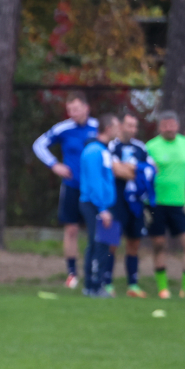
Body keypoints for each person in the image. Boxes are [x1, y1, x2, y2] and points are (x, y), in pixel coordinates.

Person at [32, 92, 99, 289]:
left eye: (76, 109)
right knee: (71, 229)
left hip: (97, 189)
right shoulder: (63, 129)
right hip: (72, 187)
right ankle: (72, 274)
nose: (73, 113)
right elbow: (39, 145)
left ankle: (102, 271)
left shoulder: (99, 127)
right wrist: (54, 165)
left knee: (103, 229)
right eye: (69, 110)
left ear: (86, 108)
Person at [145, 111, 185, 299]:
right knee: (158, 244)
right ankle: (163, 288)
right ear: (159, 127)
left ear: (178, 126)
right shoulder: (151, 147)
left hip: (179, 205)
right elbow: (141, 176)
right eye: (165, 125)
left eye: (172, 124)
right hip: (155, 204)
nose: (169, 128)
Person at [107, 114, 154, 298]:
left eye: (135, 126)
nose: (132, 130)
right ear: (120, 126)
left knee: (134, 243)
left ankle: (132, 285)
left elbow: (151, 170)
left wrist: (128, 169)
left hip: (135, 204)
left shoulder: (140, 147)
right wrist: (136, 170)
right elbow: (114, 169)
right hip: (114, 202)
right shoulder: (112, 145)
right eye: (129, 126)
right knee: (110, 243)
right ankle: (106, 282)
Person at [78, 113, 121, 297]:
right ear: (109, 128)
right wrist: (102, 209)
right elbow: (95, 182)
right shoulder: (94, 151)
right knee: (97, 244)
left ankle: (100, 284)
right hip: (96, 205)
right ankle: (92, 286)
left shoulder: (104, 150)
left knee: (106, 245)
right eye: (117, 126)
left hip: (106, 205)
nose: (119, 130)